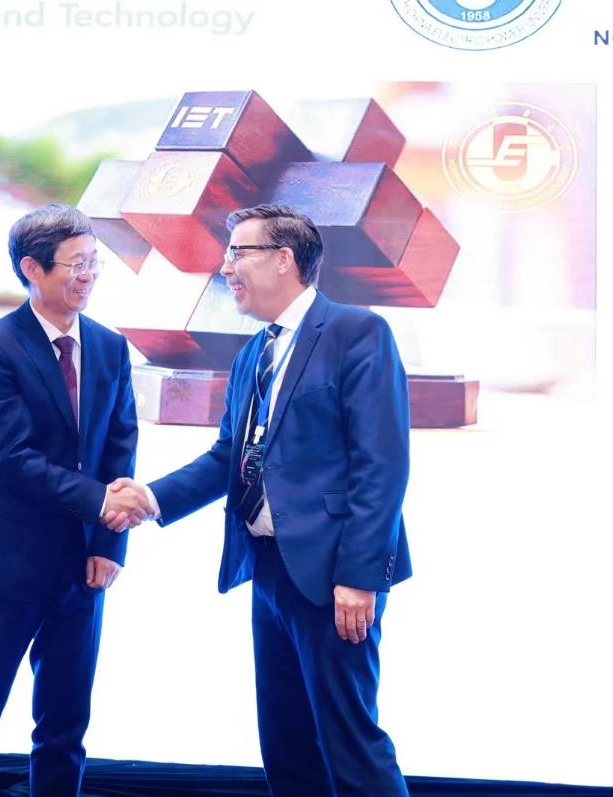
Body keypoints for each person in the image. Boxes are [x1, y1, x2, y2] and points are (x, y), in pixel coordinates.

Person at [109, 203, 413, 796]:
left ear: (283, 259)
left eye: (237, 253)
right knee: (285, 743)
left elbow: (382, 465)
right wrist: (150, 497)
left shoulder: (356, 332)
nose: (225, 267)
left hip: (332, 573)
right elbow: (230, 456)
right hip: (269, 567)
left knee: (350, 744)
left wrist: (358, 577)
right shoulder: (253, 352)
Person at [0, 204, 153, 797]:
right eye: (76, 264)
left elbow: (120, 446)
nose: (89, 275)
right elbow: (11, 458)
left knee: (64, 727)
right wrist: (102, 501)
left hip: (83, 567)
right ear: (33, 267)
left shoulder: (109, 347)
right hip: (5, 564)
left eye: (94, 262)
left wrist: (110, 544)